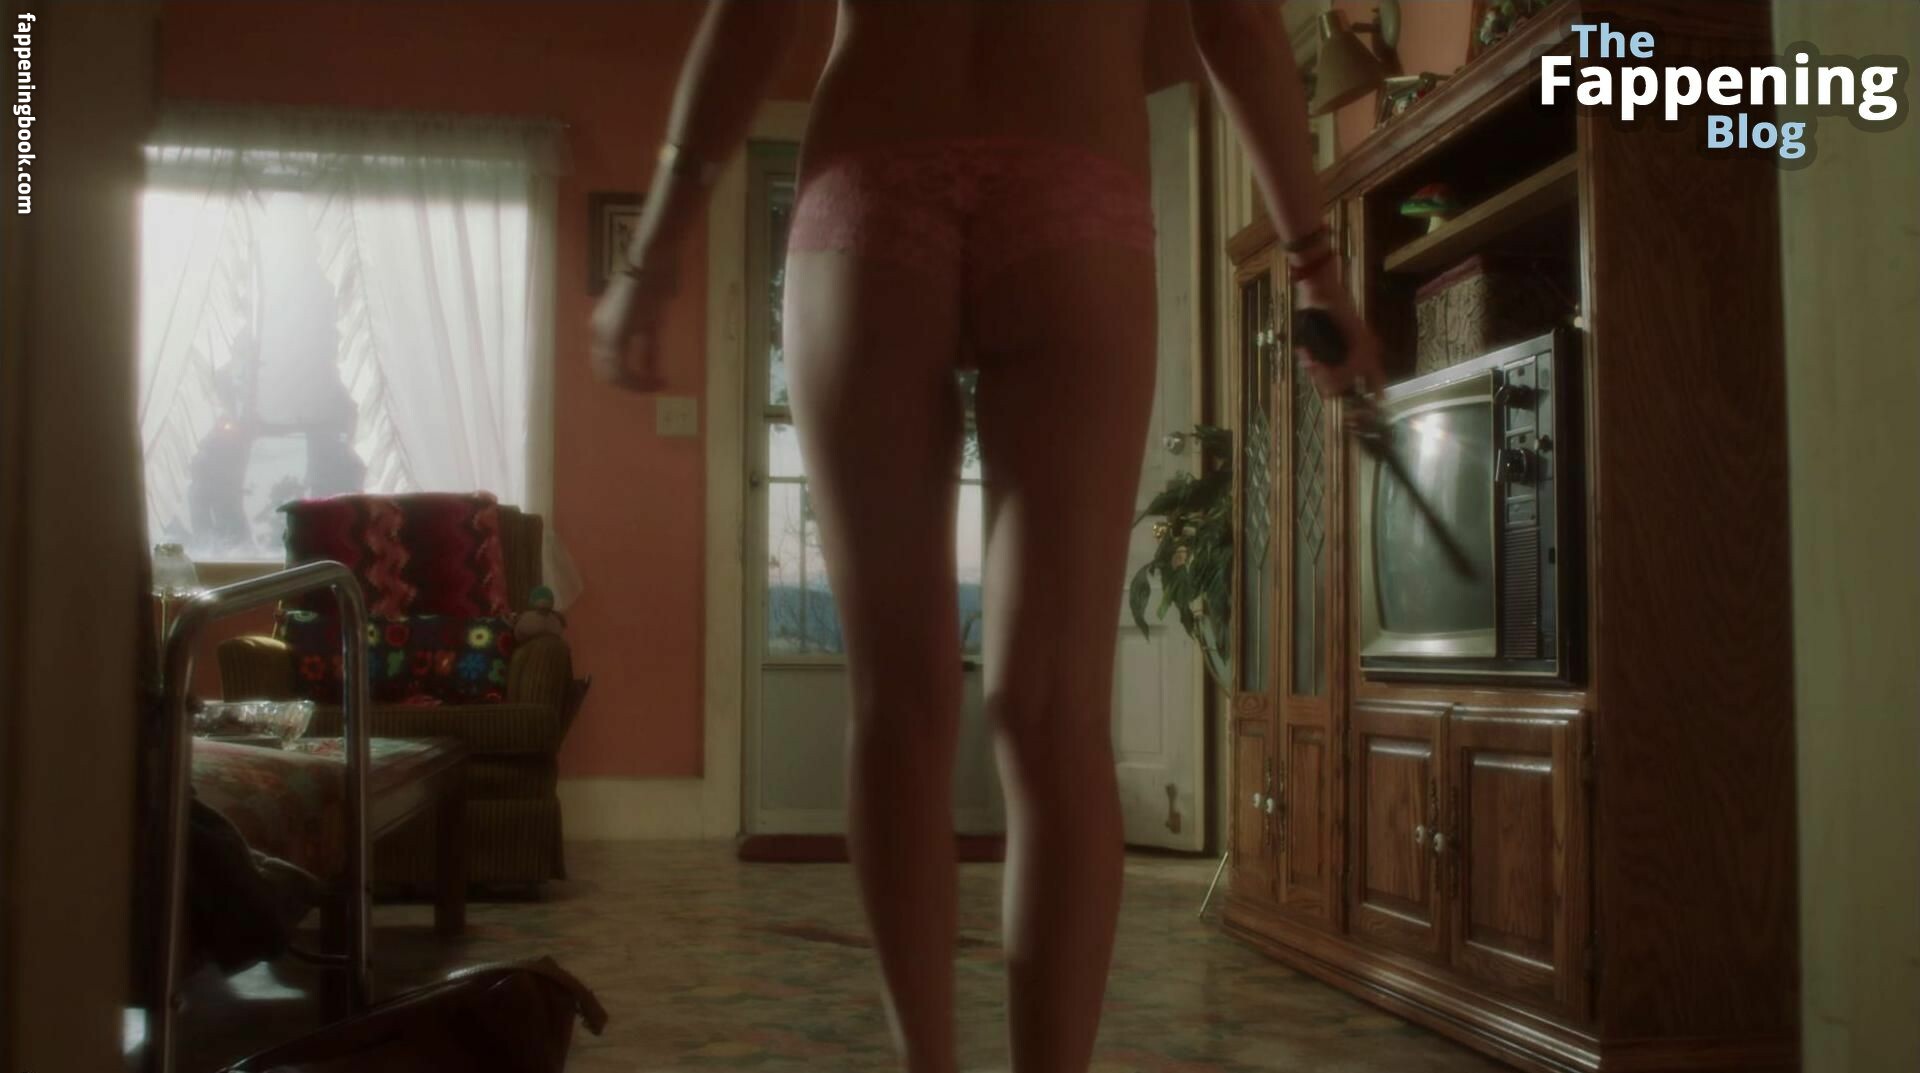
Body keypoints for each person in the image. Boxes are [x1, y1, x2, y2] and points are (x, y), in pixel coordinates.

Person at [589, 4, 1383, 1072]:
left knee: (897, 702)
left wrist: (655, 249)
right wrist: (1316, 265)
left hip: (873, 173)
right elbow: (1235, 22)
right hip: (1073, 172)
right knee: (1055, 713)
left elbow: (754, 13)